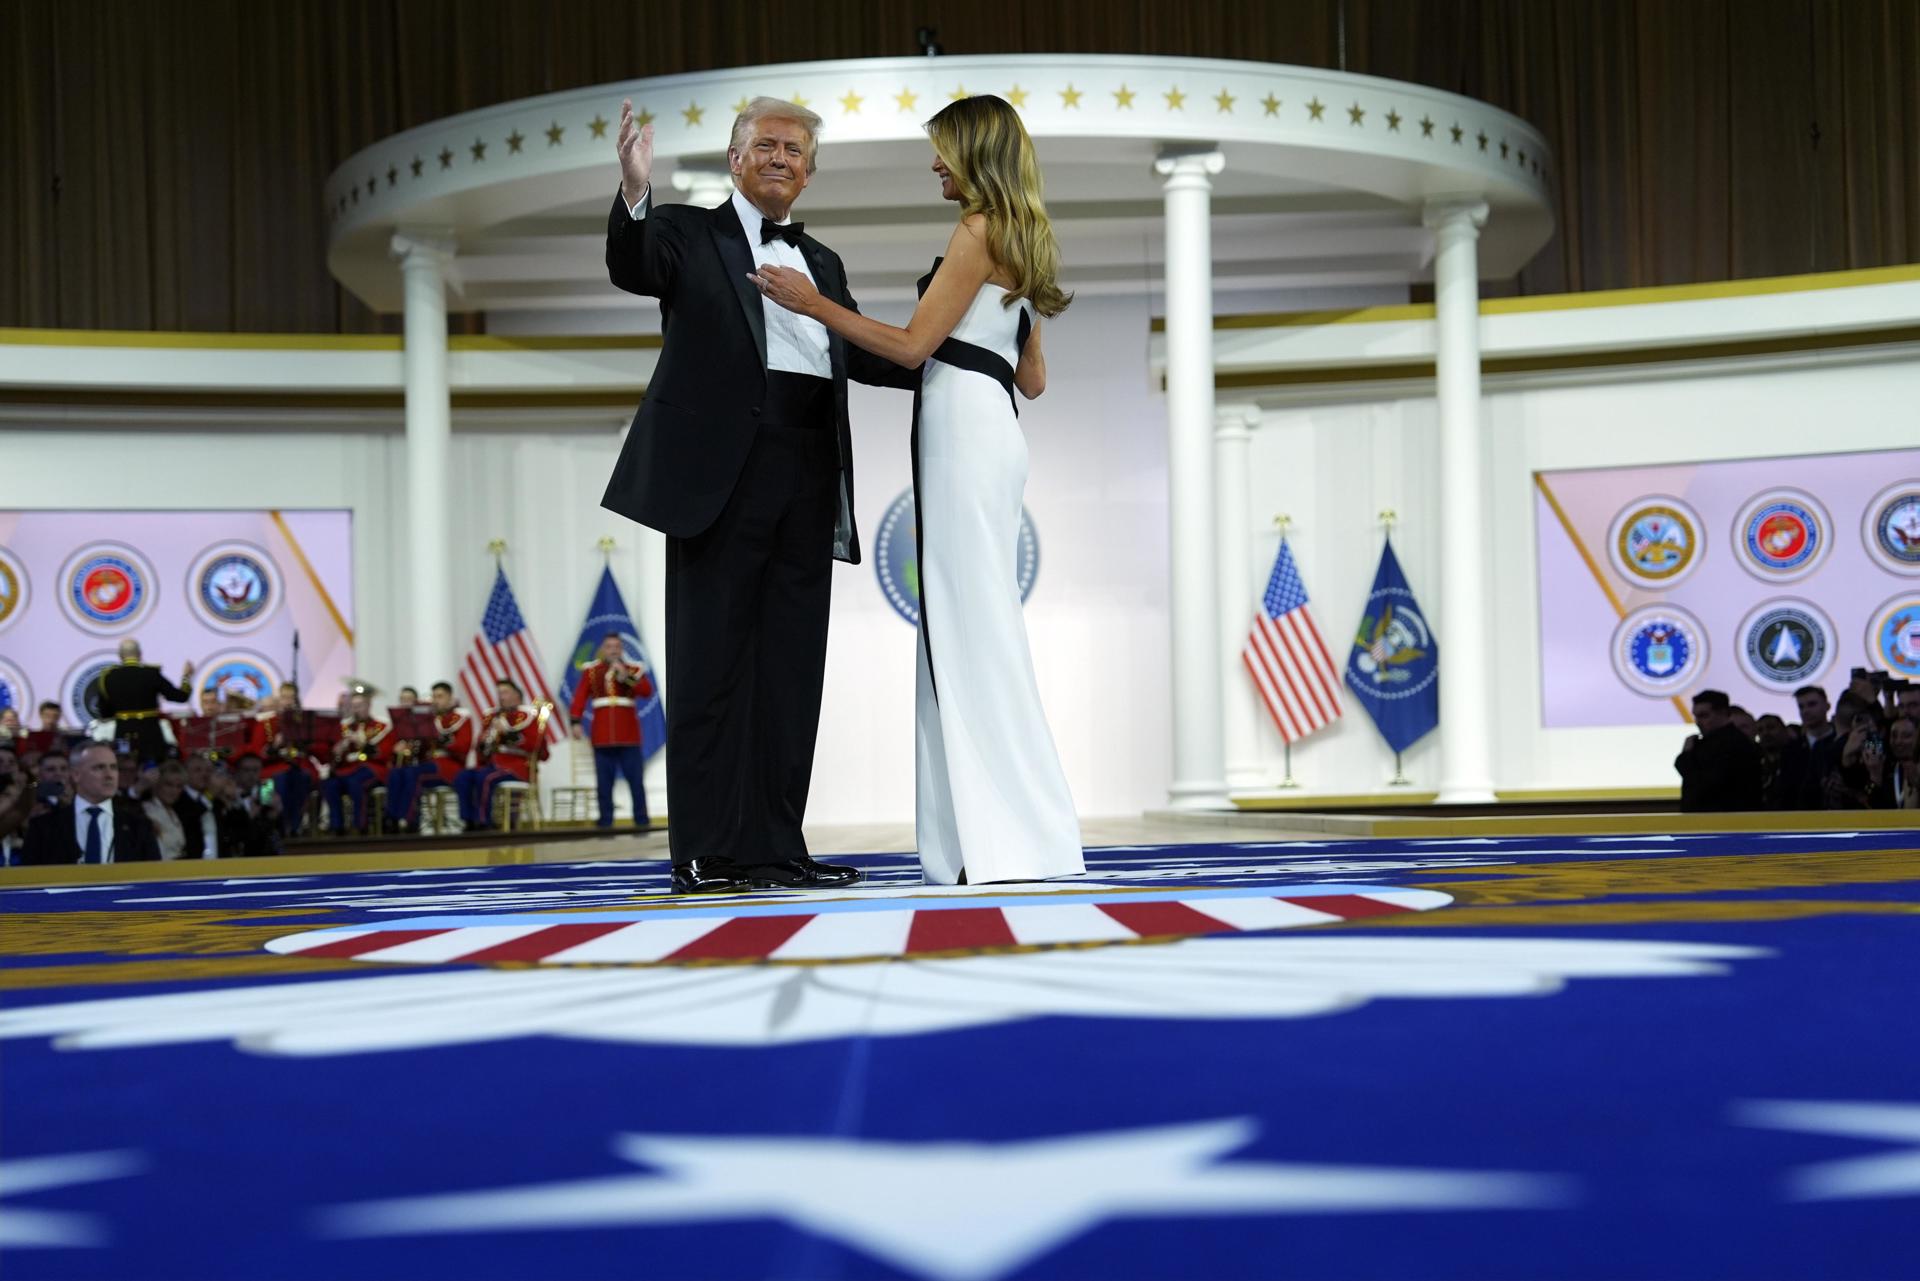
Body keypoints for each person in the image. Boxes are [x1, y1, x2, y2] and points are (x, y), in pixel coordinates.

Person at [754, 94, 1083, 885]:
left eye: (942, 150)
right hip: (995, 427)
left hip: (964, 434)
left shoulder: (976, 230)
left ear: (973, 153)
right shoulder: (1025, 238)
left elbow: (909, 349)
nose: (934, 163)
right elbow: (1033, 381)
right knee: (975, 627)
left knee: (968, 631)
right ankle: (990, 839)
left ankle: (1014, 842)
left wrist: (813, 305)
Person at [600, 96, 918, 894]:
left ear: (808, 174)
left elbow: (871, 357)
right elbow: (633, 264)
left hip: (811, 471)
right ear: (736, 158)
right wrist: (635, 189)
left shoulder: (828, 264)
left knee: (789, 670)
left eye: (795, 149)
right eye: (766, 144)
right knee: (712, 666)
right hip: (721, 475)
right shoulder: (684, 231)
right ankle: (705, 851)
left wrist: (959, 350)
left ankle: (777, 847)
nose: (780, 157)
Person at [19, 741, 161, 864]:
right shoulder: (42, 828)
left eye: (113, 767)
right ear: (76, 775)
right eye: (99, 767)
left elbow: (153, 879)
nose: (109, 775)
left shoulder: (139, 827)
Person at [569, 632, 656, 830]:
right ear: (603, 649)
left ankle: (641, 820)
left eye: (617, 646)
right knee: (604, 782)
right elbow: (580, 697)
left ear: (622, 649)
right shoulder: (591, 671)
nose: (613, 650)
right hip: (602, 736)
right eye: (609, 646)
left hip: (628, 735)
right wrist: (575, 721)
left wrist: (626, 677)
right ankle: (605, 821)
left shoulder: (634, 669)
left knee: (635, 780)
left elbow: (646, 691)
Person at [455, 679, 548, 829]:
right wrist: (484, 741)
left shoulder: (530, 715)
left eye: (505, 692)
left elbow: (536, 746)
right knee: (463, 776)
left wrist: (507, 734)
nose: (501, 696)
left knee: (484, 778)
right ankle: (468, 820)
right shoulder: (493, 716)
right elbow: (480, 747)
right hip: (493, 764)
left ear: (517, 695)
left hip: (516, 766)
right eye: (499, 693)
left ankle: (483, 821)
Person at [385, 682, 473, 827]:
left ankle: (410, 821)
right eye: (434, 696)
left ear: (450, 698)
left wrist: (440, 740)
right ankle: (391, 819)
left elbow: (464, 747)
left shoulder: (461, 717)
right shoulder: (428, 718)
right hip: (427, 763)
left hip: (448, 766)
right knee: (396, 773)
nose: (435, 700)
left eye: (440, 696)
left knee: (413, 774)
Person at [94, 638, 194, 765]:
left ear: (120, 656)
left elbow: (105, 713)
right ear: (140, 654)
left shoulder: (107, 677)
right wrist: (186, 677)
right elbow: (181, 697)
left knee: (125, 769)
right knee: (154, 771)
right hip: (150, 734)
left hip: (123, 732)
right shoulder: (151, 674)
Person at [321, 685, 392, 835]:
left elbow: (384, 754)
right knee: (330, 784)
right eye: (353, 706)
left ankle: (360, 826)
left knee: (356, 783)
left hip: (372, 768)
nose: (356, 710)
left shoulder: (382, 725)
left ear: (368, 705)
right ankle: (337, 827)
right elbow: (332, 757)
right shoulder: (343, 727)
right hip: (347, 769)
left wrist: (363, 744)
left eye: (359, 706)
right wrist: (338, 751)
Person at [1675, 689, 1761, 812]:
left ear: (1722, 713)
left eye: (1704, 716)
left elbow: (1705, 785)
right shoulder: (1711, 742)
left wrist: (1686, 756)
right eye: (1696, 716)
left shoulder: (1733, 744)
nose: (1698, 722)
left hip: (1723, 820)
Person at [1755, 714, 1810, 811]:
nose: (1765, 733)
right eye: (1760, 730)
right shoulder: (1756, 764)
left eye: (1771, 728)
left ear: (1784, 730)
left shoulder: (1801, 759)